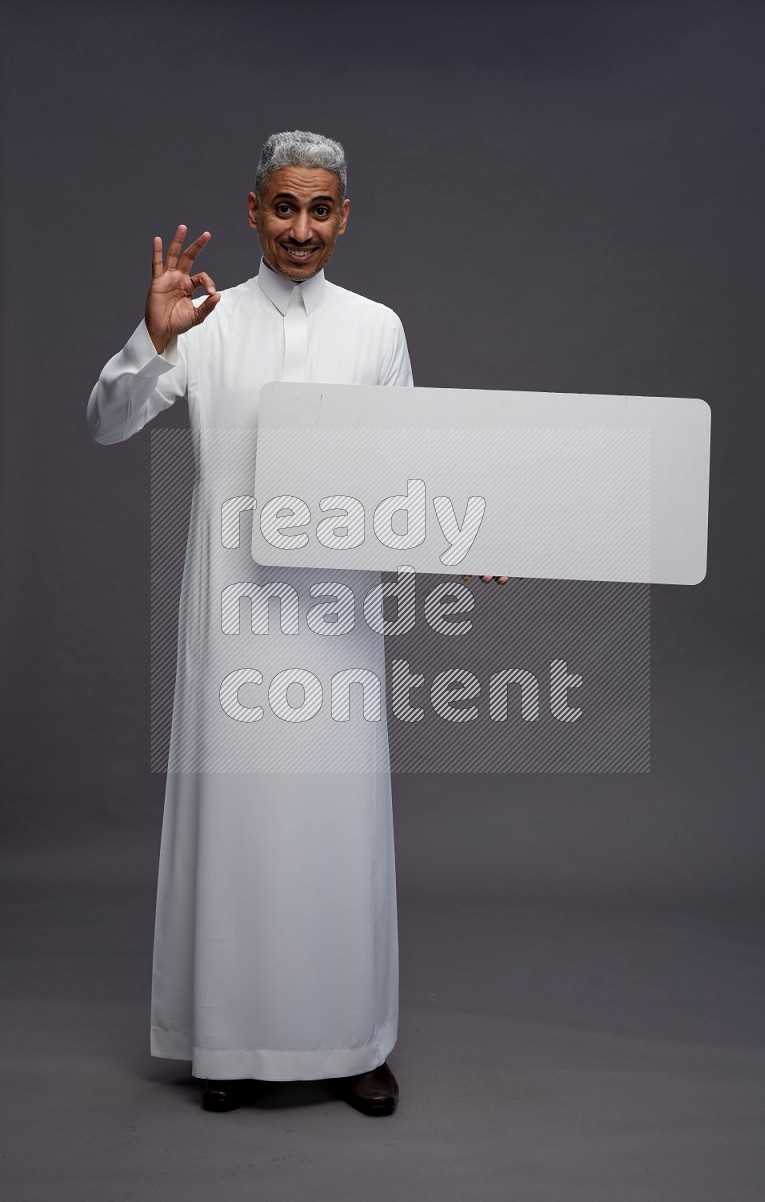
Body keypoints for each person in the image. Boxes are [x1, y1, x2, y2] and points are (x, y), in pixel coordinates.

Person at [88, 129, 507, 1118]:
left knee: (336, 822)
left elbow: (411, 467)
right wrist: (152, 336)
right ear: (252, 209)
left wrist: (466, 531)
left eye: (320, 209)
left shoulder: (375, 328)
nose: (301, 227)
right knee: (235, 822)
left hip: (335, 616)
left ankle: (352, 1040)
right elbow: (108, 420)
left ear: (344, 215)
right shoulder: (206, 317)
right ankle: (227, 1042)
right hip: (230, 613)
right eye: (284, 207)